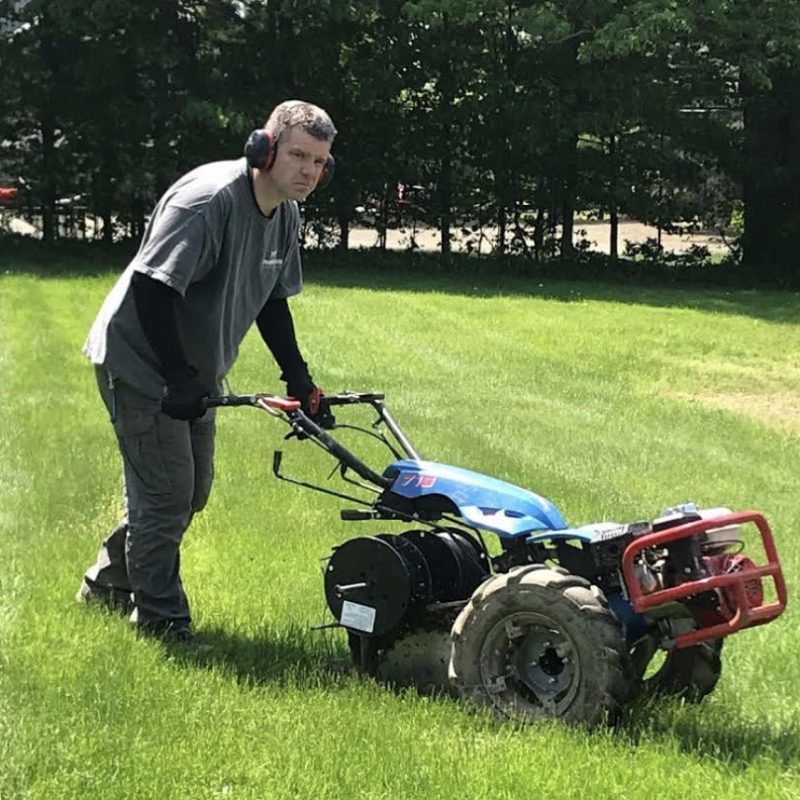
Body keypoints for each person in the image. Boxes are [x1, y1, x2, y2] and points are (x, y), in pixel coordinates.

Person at [77, 100, 337, 641]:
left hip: (193, 370)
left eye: (319, 161)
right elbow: (151, 287)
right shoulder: (209, 201)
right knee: (167, 495)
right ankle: (161, 620)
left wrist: (300, 380)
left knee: (187, 494)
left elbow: (271, 301)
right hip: (141, 361)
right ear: (263, 148)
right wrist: (176, 376)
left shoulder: (285, 213)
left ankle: (105, 584)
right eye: (297, 155)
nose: (309, 172)